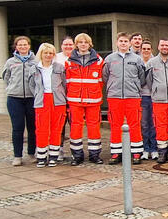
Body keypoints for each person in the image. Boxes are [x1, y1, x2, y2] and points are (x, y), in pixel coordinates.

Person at [102, 32, 146, 165]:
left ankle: (136, 152)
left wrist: (135, 87)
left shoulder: (137, 59)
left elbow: (142, 77)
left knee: (135, 124)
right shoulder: (109, 59)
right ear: (117, 42)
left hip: (132, 96)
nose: (123, 43)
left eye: (126, 41)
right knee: (115, 124)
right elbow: (105, 76)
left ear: (130, 43)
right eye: (121, 41)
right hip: (115, 97)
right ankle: (116, 153)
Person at [64, 33, 104, 165]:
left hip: (93, 99)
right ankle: (77, 155)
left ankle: (94, 155)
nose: (83, 44)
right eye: (80, 42)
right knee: (76, 127)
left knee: (94, 127)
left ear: (89, 44)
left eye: (85, 42)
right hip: (75, 100)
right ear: (76, 44)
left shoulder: (99, 60)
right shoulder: (69, 61)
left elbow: (101, 81)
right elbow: (67, 82)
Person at [3, 36, 38, 166]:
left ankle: (31, 153)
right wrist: (13, 88)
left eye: (25, 44)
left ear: (29, 46)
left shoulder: (35, 61)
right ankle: (17, 155)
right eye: (20, 45)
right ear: (16, 47)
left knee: (32, 128)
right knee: (17, 128)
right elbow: (6, 77)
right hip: (14, 99)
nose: (23, 47)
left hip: (31, 98)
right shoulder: (10, 62)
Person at [31, 43, 67, 168]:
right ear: (41, 54)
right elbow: (32, 85)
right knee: (42, 128)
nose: (48, 55)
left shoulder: (59, 67)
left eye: (51, 53)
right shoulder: (35, 68)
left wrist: (61, 96)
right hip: (42, 100)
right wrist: (38, 95)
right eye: (45, 53)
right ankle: (41, 156)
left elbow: (64, 83)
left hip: (58, 101)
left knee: (56, 129)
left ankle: (53, 156)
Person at [139, 41, 159, 159]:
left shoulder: (154, 62)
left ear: (151, 50)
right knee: (145, 124)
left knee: (154, 124)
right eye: (144, 48)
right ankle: (146, 148)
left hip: (154, 96)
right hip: (143, 96)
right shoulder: (138, 61)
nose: (146, 50)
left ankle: (154, 148)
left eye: (148, 48)